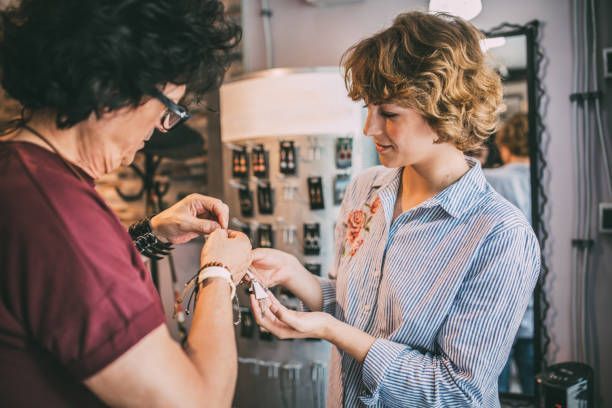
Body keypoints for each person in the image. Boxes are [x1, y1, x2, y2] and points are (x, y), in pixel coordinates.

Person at [248, 12, 541, 407]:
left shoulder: (500, 235)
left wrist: (335, 333)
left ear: (445, 111)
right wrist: (294, 275)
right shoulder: (365, 190)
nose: (370, 128)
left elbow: (457, 392)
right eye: (369, 109)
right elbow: (354, 309)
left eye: (389, 114)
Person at [0, 1, 251, 406]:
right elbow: (198, 402)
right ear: (114, 85)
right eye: (168, 109)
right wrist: (219, 274)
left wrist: (150, 233)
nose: (160, 128)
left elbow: (57, 290)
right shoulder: (56, 212)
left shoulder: (18, 170)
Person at [484, 112, 535, 394]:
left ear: (504, 145)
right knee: (535, 391)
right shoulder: (547, 183)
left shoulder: (489, 180)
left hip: (495, 307)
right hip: (537, 309)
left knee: (494, 392)